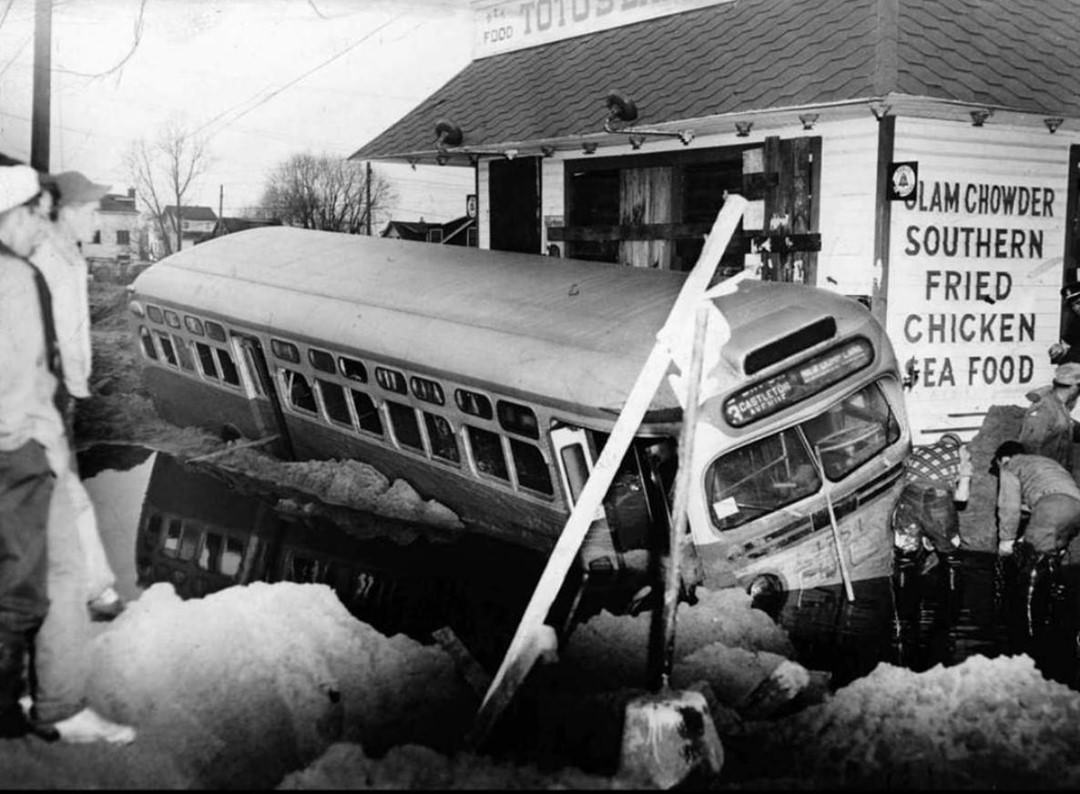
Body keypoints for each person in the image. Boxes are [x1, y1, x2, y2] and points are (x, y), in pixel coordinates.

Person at [0, 163, 135, 744]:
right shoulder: (29, 271)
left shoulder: (54, 262)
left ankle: (36, 695)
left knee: (39, 561)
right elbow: (25, 370)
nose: (95, 218)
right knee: (39, 565)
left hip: (46, 416)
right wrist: (40, 440)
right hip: (30, 433)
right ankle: (40, 700)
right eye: (88, 209)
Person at [34, 170, 124, 622]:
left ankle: (82, 587)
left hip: (62, 394)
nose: (97, 218)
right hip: (42, 393)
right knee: (65, 491)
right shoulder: (43, 257)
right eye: (90, 210)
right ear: (65, 211)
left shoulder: (69, 254)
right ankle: (95, 590)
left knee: (59, 490)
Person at [992, 441, 1080, 683]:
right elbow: (1039, 500)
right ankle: (1060, 622)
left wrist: (1006, 540)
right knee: (1049, 566)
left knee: (1030, 572)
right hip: (1075, 508)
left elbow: (1008, 506)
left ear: (1003, 459)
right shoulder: (1045, 463)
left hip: (1052, 508)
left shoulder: (1010, 467)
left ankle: (1029, 639)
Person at [889, 432, 973, 669]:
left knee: (905, 559)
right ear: (958, 445)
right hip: (937, 501)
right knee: (952, 560)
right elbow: (962, 497)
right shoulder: (961, 455)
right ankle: (950, 617)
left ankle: (905, 618)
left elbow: (902, 485)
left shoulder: (919, 452)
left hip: (908, 501)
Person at [1017, 362, 1080, 473]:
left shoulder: (1061, 406)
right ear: (1074, 387)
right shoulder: (1044, 408)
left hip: (1058, 475)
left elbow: (1064, 428)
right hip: (1044, 478)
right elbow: (1030, 446)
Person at [1048, 281, 1080, 364]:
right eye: (1072, 305)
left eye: (1078, 303)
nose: (1076, 308)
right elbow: (1068, 343)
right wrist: (1060, 348)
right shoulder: (1076, 322)